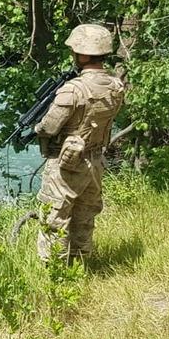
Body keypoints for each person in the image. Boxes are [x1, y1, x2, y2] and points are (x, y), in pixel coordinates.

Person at [34, 24, 125, 262]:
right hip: (95, 162)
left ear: (83, 54)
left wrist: (37, 129)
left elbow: (49, 127)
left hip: (67, 165)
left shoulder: (73, 90)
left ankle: (55, 274)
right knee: (84, 218)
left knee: (54, 220)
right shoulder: (116, 86)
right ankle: (80, 267)